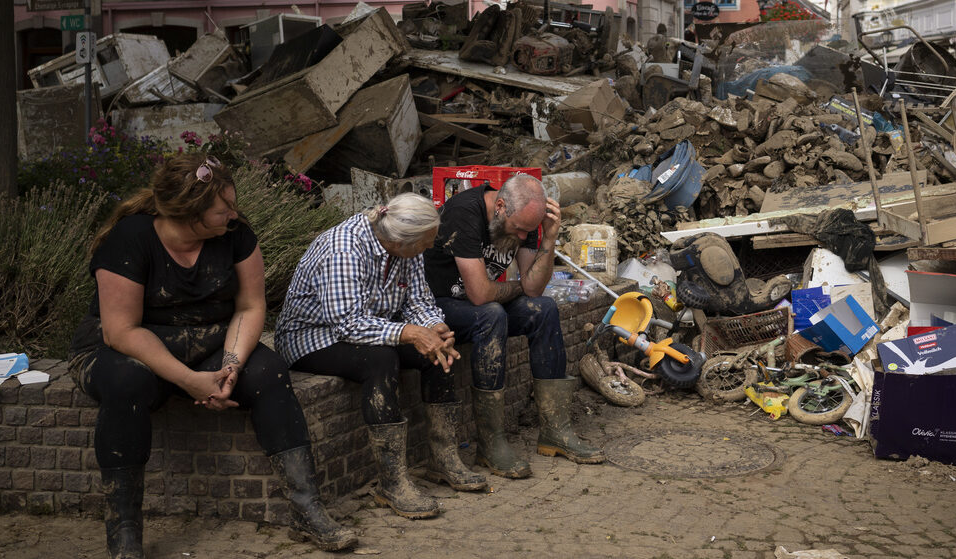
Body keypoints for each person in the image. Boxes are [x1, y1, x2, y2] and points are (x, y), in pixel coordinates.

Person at [67, 154, 356, 558]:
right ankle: (125, 531)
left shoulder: (236, 235)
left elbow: (251, 307)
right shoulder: (129, 239)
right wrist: (189, 380)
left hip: (208, 343)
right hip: (124, 349)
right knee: (128, 382)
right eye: (224, 209)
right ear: (190, 214)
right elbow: (122, 331)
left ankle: (307, 508)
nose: (234, 215)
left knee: (270, 371)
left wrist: (231, 368)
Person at [275, 193, 486, 520]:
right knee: (381, 359)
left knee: (440, 352)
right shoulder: (343, 250)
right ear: (401, 241)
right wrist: (412, 333)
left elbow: (418, 302)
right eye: (425, 243)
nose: (429, 248)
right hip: (313, 337)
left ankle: (443, 459)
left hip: (371, 329)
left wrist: (434, 327)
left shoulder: (407, 247)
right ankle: (392, 481)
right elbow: (348, 323)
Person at [423, 174, 604, 480]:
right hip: (438, 305)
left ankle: (555, 430)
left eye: (528, 232)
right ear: (501, 206)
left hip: (484, 302)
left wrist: (548, 238)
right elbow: (480, 294)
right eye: (518, 229)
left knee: (543, 309)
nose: (522, 237)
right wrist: (516, 288)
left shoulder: (528, 221)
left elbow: (533, 288)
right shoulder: (465, 211)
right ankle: (491, 443)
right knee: (491, 313)